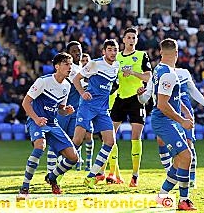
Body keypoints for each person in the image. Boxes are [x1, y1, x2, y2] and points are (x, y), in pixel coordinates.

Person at [17, 52, 79, 198]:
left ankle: (51, 178)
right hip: (36, 121)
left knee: (73, 158)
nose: (70, 67)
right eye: (66, 64)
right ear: (57, 66)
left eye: (71, 64)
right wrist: (36, 118)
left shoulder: (67, 86)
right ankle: (24, 188)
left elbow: (60, 109)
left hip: (52, 123)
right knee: (40, 147)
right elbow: (25, 102)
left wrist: (66, 110)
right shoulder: (43, 81)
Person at [149, 39, 196, 210]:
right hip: (163, 120)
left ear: (161, 52)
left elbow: (170, 97)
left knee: (179, 160)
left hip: (165, 119)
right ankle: (184, 200)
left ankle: (162, 196)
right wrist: (182, 120)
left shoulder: (159, 70)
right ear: (177, 53)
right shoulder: (168, 73)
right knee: (186, 156)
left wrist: (183, 110)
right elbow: (162, 104)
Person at [106, 28, 152, 186]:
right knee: (110, 136)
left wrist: (133, 73)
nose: (131, 40)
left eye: (134, 37)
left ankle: (135, 175)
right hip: (120, 98)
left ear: (136, 40)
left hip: (135, 99)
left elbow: (148, 76)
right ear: (123, 40)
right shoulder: (116, 57)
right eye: (129, 37)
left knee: (135, 137)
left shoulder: (141, 55)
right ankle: (112, 173)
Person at [71, 39, 120, 189]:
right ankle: (57, 174)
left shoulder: (117, 66)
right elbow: (76, 79)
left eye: (115, 50)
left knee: (110, 142)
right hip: (87, 106)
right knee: (77, 141)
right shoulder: (94, 64)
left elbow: (111, 85)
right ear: (104, 51)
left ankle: (91, 177)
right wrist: (82, 93)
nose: (113, 53)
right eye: (110, 50)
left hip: (102, 109)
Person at [48, 41, 93, 175]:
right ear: (69, 54)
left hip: (76, 111)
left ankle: (58, 171)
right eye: (74, 51)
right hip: (63, 110)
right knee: (57, 141)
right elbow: (82, 83)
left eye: (79, 50)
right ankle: (51, 171)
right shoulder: (70, 69)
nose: (77, 53)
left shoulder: (82, 69)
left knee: (72, 141)